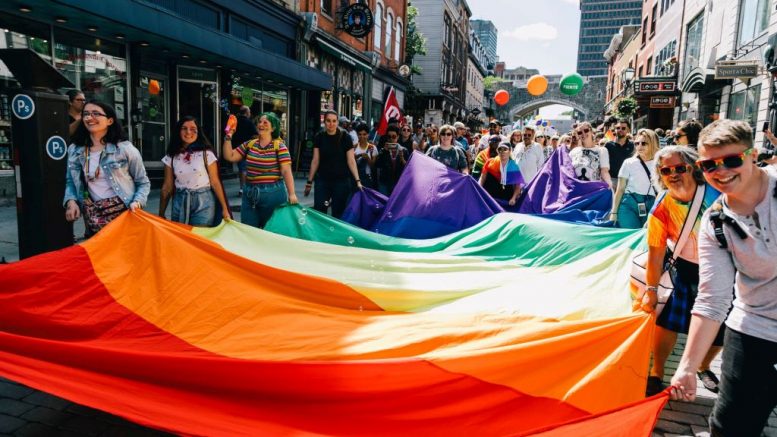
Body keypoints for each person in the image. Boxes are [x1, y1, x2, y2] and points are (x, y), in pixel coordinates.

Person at [670, 120, 777, 436]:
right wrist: (687, 368)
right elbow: (712, 299)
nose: (721, 171)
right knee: (730, 428)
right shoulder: (715, 222)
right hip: (754, 328)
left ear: (752, 155)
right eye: (708, 165)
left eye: (731, 160)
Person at [639, 145, 724, 397]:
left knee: (722, 329)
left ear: (692, 167)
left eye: (679, 168)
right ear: (660, 175)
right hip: (684, 270)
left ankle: (703, 365)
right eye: (666, 170)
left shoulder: (718, 195)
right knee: (668, 324)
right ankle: (657, 372)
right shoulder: (661, 208)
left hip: (722, 271)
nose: (673, 174)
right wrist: (651, 290)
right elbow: (655, 254)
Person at [64, 101, 150, 235]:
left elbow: (143, 182)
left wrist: (137, 203)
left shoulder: (124, 149)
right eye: (86, 114)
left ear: (110, 121)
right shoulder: (75, 150)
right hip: (94, 218)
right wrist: (71, 201)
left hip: (125, 215)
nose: (89, 117)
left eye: (96, 113)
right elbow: (70, 181)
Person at [223, 112, 298, 228]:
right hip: (250, 193)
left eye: (265, 122)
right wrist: (228, 136)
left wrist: (292, 194)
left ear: (273, 128)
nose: (261, 124)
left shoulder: (280, 147)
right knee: (248, 230)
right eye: (259, 122)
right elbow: (230, 156)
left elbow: (286, 171)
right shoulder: (250, 144)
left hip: (273, 194)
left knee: (271, 231)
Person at [159, 116, 230, 226]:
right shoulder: (171, 157)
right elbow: (167, 187)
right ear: (178, 131)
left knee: (200, 236)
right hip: (179, 201)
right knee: (181, 237)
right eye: (184, 128)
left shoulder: (207, 154)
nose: (188, 132)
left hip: (204, 202)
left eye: (193, 129)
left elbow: (215, 183)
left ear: (198, 132)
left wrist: (225, 209)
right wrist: (161, 213)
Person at [304, 111, 362, 218]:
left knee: (338, 213)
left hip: (341, 181)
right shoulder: (319, 137)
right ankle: (320, 233)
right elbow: (315, 160)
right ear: (324, 122)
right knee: (319, 210)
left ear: (337, 122)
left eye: (334, 121)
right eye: (328, 121)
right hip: (322, 180)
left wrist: (358, 181)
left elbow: (351, 161)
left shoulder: (345, 137)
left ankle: (335, 234)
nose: (331, 124)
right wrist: (309, 182)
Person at [609, 128, 660, 228]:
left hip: (652, 204)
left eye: (644, 143)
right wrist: (614, 213)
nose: (639, 146)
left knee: (646, 238)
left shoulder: (660, 163)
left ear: (652, 144)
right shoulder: (629, 162)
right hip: (629, 203)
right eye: (637, 143)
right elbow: (620, 189)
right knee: (629, 236)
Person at [569, 121, 612, 187]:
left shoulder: (602, 150)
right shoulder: (573, 152)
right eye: (580, 132)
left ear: (591, 131)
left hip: (593, 190)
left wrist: (609, 184)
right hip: (577, 190)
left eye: (586, 130)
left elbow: (604, 171)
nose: (583, 134)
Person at [375, 125, 409, 196]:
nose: (391, 139)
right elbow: (377, 165)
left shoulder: (404, 150)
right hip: (384, 183)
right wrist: (384, 151)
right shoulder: (383, 150)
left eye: (393, 137)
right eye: (389, 137)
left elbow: (408, 168)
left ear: (398, 137)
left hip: (398, 183)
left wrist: (402, 158)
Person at [231, 105, 256, 197]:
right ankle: (243, 188)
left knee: (241, 169)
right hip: (246, 149)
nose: (250, 114)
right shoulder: (249, 122)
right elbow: (255, 134)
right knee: (244, 169)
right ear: (246, 113)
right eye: (249, 112)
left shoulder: (235, 122)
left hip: (236, 148)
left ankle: (242, 187)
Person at [605, 119, 635, 191]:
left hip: (627, 180)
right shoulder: (608, 145)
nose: (620, 130)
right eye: (618, 128)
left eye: (623, 128)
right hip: (612, 180)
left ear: (628, 130)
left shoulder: (633, 146)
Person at [354, 122, 378, 189]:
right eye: (360, 134)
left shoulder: (372, 148)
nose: (362, 136)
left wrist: (367, 158)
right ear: (357, 134)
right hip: (355, 179)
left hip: (368, 179)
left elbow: (374, 166)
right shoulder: (354, 147)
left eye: (364, 134)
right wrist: (355, 158)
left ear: (368, 135)